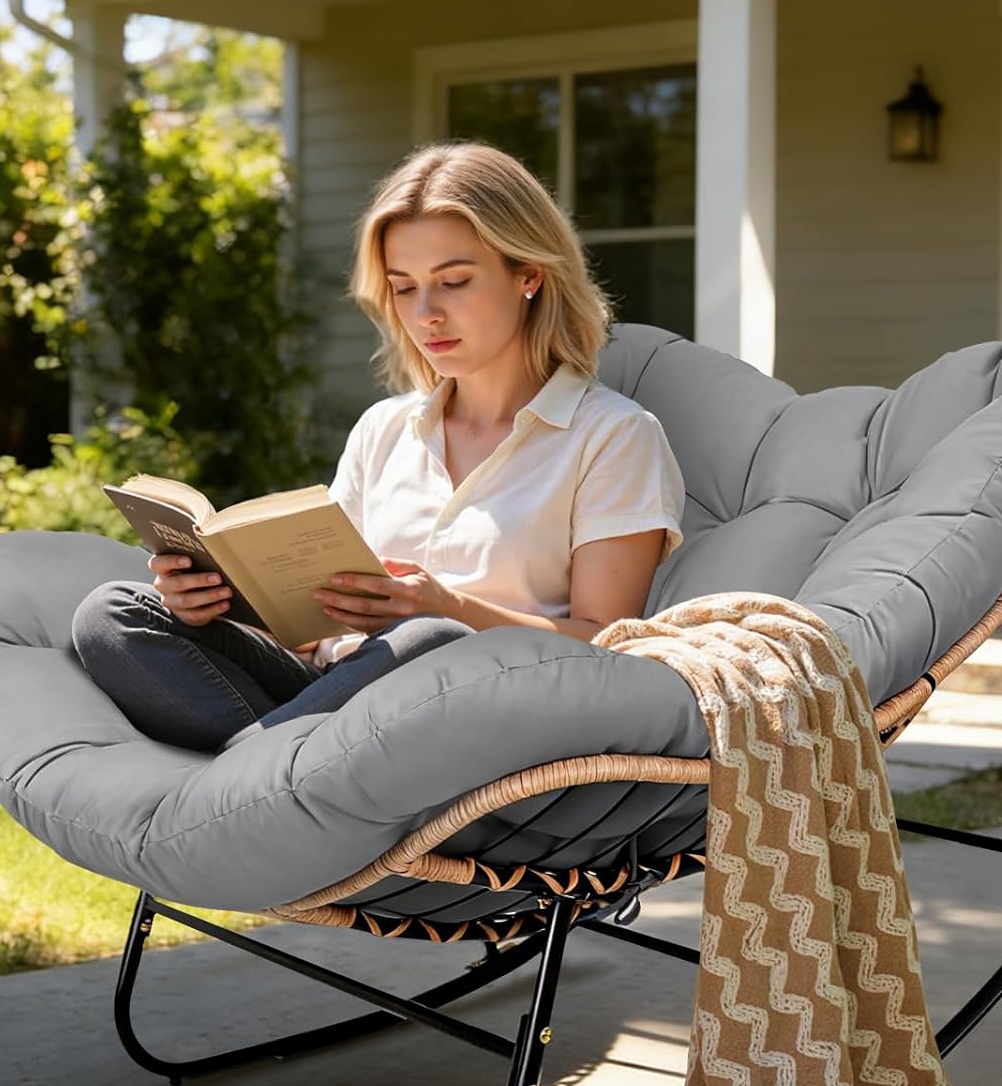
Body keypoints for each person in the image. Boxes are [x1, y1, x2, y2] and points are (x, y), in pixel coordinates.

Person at [71, 140, 686, 754]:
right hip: (336, 696)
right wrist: (221, 602)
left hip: (477, 715)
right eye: (403, 288)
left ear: (529, 274)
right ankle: (276, 775)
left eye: (454, 282)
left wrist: (452, 605)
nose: (426, 315)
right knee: (115, 611)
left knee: (430, 636)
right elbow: (319, 626)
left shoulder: (613, 436)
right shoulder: (385, 428)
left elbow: (607, 647)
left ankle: (252, 778)